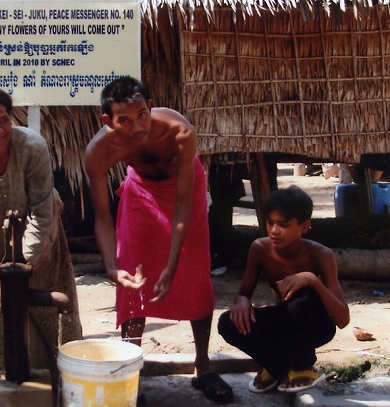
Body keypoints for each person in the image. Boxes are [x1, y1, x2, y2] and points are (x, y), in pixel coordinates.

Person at [84, 76, 233, 404]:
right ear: (108, 121)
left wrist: (172, 263)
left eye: (142, 114)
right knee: (132, 276)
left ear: (150, 107)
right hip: (140, 189)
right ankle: (130, 372)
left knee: (194, 275)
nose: (137, 126)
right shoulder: (98, 152)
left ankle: (203, 366)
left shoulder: (180, 132)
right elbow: (102, 215)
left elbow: (183, 201)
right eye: (124, 120)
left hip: (184, 189)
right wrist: (111, 267)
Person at [0, 85, 82, 390]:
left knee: (55, 329)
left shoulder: (32, 147)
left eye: (4, 120)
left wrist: (21, 269)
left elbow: (42, 213)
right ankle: (14, 395)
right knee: (1, 331)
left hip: (43, 249)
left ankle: (62, 393)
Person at [218, 186, 349, 393]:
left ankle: (302, 367)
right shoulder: (259, 249)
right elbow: (244, 293)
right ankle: (277, 368)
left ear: (304, 226)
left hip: (314, 326)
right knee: (227, 322)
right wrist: (241, 300)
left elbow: (342, 319)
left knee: (303, 298)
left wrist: (312, 280)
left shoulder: (320, 254)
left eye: (283, 225)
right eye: (270, 222)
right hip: (283, 324)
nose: (274, 230)